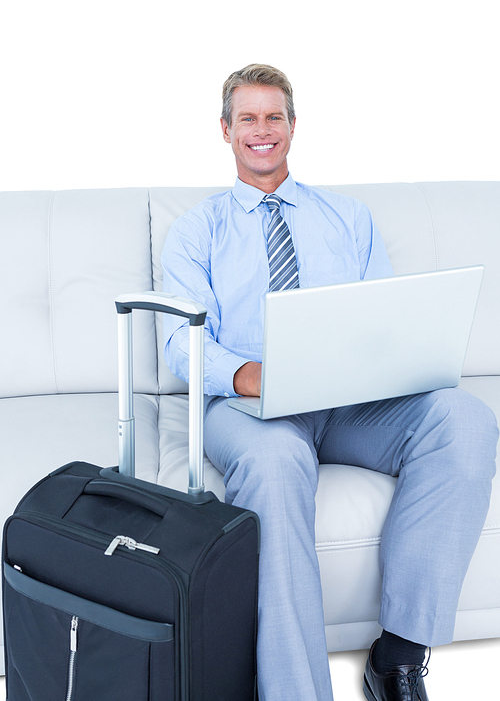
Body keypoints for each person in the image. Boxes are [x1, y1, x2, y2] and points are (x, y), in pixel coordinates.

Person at [161, 64, 499, 701]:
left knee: (466, 420)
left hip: (349, 402)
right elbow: (182, 341)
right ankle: (295, 691)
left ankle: (398, 655)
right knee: (275, 458)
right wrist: (248, 372)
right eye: (248, 118)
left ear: (293, 126)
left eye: (275, 117)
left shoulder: (347, 217)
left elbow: (387, 319)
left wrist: (388, 361)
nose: (262, 130)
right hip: (250, 404)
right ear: (226, 132)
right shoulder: (198, 229)